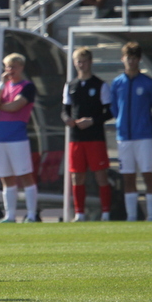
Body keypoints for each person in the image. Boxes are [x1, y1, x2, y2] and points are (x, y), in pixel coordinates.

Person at [110, 42, 152, 221]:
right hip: (124, 137)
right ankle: (131, 217)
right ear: (122, 59)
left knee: (148, 175)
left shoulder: (148, 83)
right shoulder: (117, 83)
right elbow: (115, 108)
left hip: (143, 137)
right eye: (128, 58)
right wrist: (120, 123)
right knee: (128, 177)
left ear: (139, 60)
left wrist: (150, 127)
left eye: (134, 58)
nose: (131, 62)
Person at [61, 47, 113, 222]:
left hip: (95, 136)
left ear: (90, 62)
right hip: (76, 138)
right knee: (77, 175)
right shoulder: (70, 85)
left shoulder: (100, 85)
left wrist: (92, 121)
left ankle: (106, 212)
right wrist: (68, 120)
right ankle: (79, 213)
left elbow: (109, 112)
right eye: (78, 61)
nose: (81, 65)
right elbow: (65, 111)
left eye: (84, 61)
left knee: (100, 174)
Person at [0, 53, 38, 223]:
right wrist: (1, 85)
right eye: (8, 67)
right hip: (0, 137)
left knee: (25, 175)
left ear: (21, 67)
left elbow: (15, 106)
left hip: (17, 138)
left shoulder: (28, 87)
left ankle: (31, 214)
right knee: (5, 177)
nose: (10, 70)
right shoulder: (5, 86)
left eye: (13, 67)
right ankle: (10, 215)